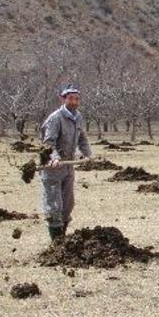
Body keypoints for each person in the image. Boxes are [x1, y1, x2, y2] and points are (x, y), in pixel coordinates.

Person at [39, 84, 92, 241]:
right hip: (53, 167)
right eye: (71, 98)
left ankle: (63, 243)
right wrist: (53, 157)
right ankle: (56, 244)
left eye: (77, 99)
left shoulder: (78, 117)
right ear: (63, 99)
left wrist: (88, 154)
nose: (74, 102)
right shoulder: (55, 118)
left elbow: (82, 138)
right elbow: (48, 142)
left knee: (67, 205)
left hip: (68, 167)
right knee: (55, 206)